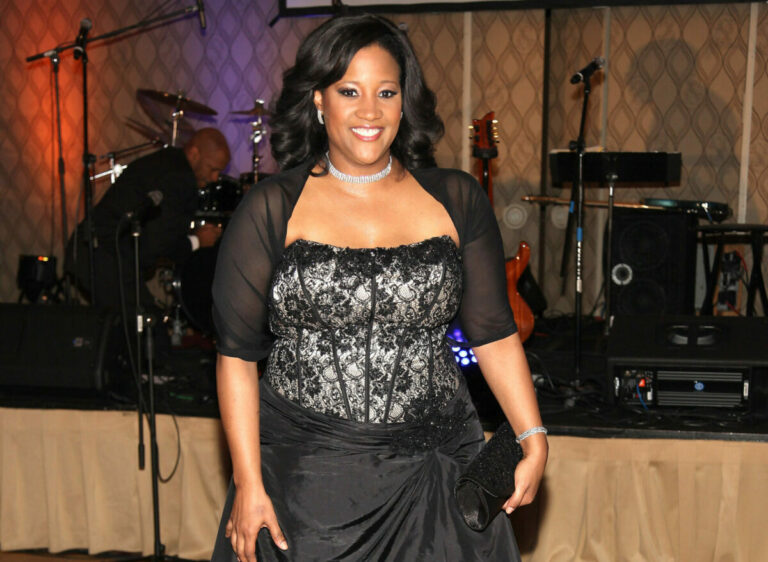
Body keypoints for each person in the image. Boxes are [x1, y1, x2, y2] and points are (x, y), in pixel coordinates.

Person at [211, 14, 547, 562]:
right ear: (319, 100)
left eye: (386, 92)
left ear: (403, 102)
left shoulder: (456, 199)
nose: (369, 111)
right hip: (307, 480)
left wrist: (532, 435)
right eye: (350, 91)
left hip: (437, 476)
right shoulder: (270, 207)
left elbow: (493, 332)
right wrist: (249, 484)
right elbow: (236, 358)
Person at [65, 128, 230, 316]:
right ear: (194, 154)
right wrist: (198, 241)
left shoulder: (166, 162)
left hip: (92, 252)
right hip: (104, 257)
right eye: (213, 169)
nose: (214, 178)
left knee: (124, 326)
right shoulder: (181, 178)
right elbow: (159, 243)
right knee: (146, 327)